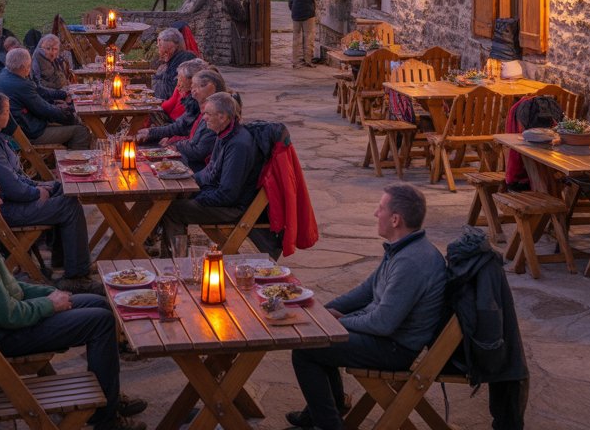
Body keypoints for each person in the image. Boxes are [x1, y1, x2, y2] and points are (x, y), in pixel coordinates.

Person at [0, 168, 147, 430]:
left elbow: (11, 286)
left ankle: (108, 397)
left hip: (8, 320)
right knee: (102, 321)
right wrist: (50, 304)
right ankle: (107, 421)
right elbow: (8, 315)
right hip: (5, 335)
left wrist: (49, 293)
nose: (1, 201)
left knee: (99, 304)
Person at [286, 184, 447, 430]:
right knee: (317, 337)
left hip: (395, 348)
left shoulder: (411, 262)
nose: (375, 213)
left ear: (395, 219)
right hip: (387, 339)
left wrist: (335, 324)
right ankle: (326, 412)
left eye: (380, 208)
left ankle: (328, 424)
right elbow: (366, 290)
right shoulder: (403, 248)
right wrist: (326, 309)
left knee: (306, 350)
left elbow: (383, 323)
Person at [0, 92, 99, 292]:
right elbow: (11, 187)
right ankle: (77, 277)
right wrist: (34, 193)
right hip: (7, 209)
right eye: (7, 111)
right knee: (69, 205)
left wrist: (39, 186)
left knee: (61, 187)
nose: (10, 115)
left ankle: (66, 260)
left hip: (12, 199)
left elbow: (12, 175)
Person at [161, 92, 259, 242]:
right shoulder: (225, 133)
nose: (204, 117)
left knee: (171, 209)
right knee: (168, 196)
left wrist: (198, 197)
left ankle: (177, 259)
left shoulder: (238, 145)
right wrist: (188, 182)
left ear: (223, 117)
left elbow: (227, 194)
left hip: (232, 208)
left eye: (208, 113)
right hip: (217, 195)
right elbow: (209, 172)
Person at [0, 47, 92, 149]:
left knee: (68, 121)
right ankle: (75, 164)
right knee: (81, 131)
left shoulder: (3, 75)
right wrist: (70, 114)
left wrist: (62, 94)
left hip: (18, 129)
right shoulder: (21, 84)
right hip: (29, 134)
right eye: (29, 66)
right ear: (23, 67)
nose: (29, 68)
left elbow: (39, 93)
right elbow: (44, 110)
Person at [138, 59, 208, 143]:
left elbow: (183, 129)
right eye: (178, 78)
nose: (178, 83)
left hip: (178, 134)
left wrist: (172, 140)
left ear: (192, 81)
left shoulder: (197, 101)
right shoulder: (191, 97)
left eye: (181, 80)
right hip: (175, 129)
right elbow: (182, 125)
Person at [288, 0, 328, 68]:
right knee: (308, 36)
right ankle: (308, 60)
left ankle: (295, 62)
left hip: (296, 12)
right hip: (307, 13)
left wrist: (291, 7)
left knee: (296, 37)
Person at [151, 28, 196, 100]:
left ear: (175, 45)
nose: (158, 45)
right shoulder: (169, 60)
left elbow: (171, 90)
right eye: (158, 43)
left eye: (160, 42)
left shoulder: (185, 58)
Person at [30, 34, 74, 99]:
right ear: (42, 48)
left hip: (61, 92)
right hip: (50, 97)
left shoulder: (54, 57)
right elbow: (38, 85)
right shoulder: (37, 58)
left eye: (55, 49)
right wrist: (58, 93)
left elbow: (59, 74)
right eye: (48, 49)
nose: (52, 52)